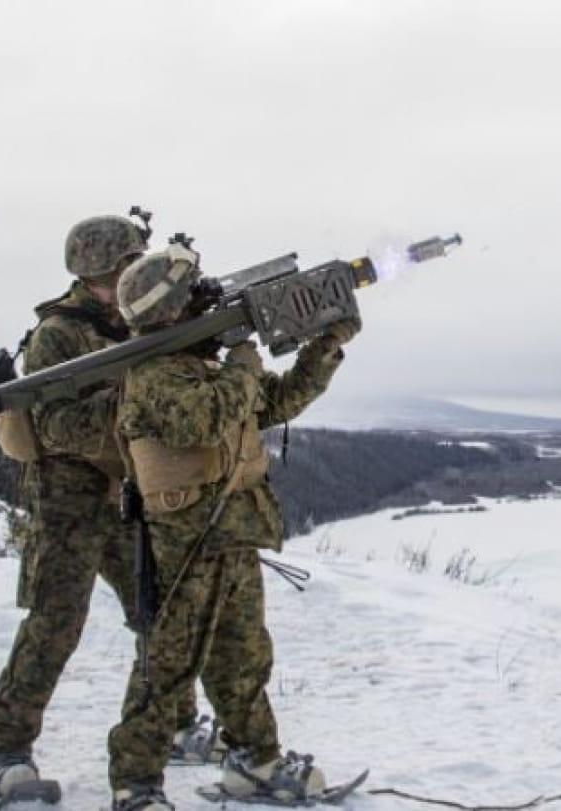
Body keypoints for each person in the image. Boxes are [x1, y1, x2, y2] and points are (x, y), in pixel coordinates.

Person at [106, 243, 358, 811]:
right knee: (168, 663)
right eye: (193, 294)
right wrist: (245, 358)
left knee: (243, 656)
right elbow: (208, 417)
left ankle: (256, 760)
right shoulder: (152, 374)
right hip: (186, 541)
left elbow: (280, 400)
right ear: (170, 310)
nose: (205, 300)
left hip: (234, 531)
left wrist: (328, 343)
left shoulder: (204, 369)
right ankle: (135, 783)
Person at [0, 212, 203, 800]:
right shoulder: (61, 333)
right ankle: (3, 750)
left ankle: (177, 722)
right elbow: (53, 426)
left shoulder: (140, 316)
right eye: (122, 267)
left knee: (159, 613)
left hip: (127, 493)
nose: (132, 274)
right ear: (95, 271)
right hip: (69, 499)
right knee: (55, 623)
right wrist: (131, 408)